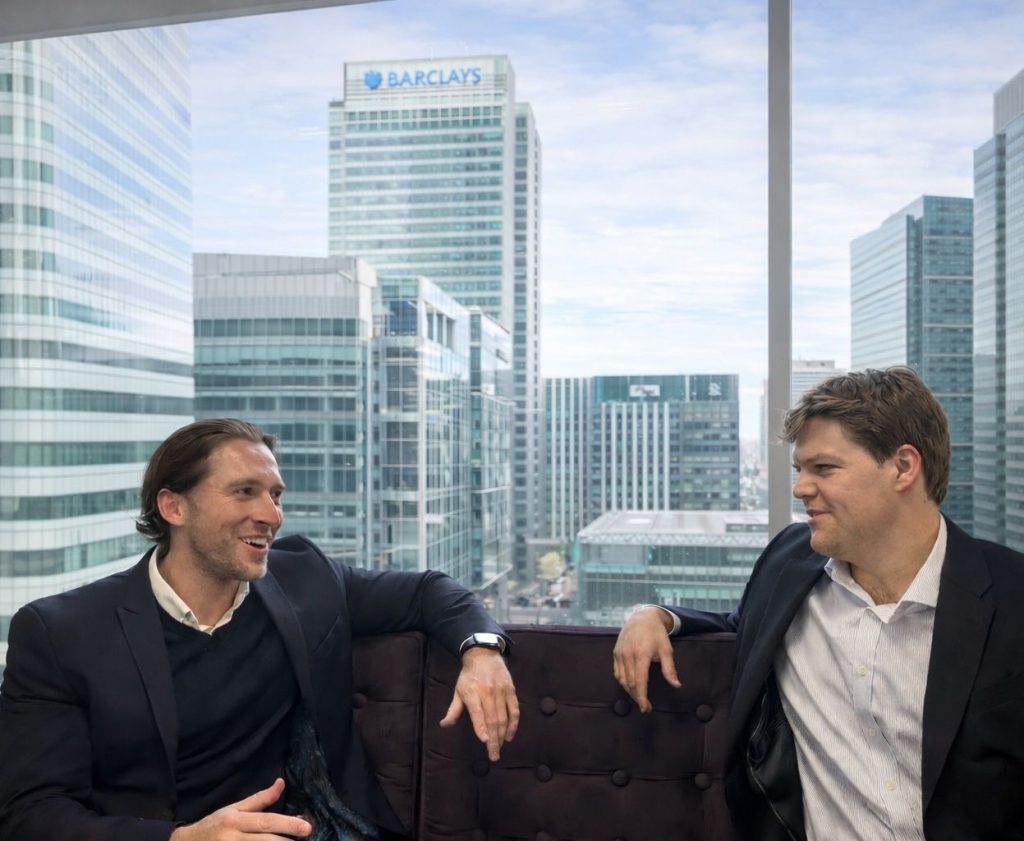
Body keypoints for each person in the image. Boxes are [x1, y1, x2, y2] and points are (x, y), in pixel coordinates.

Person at [0, 419, 519, 841]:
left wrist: (481, 651)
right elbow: (32, 815)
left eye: (275, 495)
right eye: (244, 492)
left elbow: (428, 590)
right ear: (173, 506)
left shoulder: (305, 578)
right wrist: (182, 839)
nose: (271, 515)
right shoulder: (60, 633)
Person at [613, 367, 1024, 841]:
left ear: (903, 467)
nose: (800, 488)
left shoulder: (1012, 595)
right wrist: (655, 616)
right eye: (800, 470)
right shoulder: (788, 563)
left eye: (824, 468)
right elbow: (740, 625)